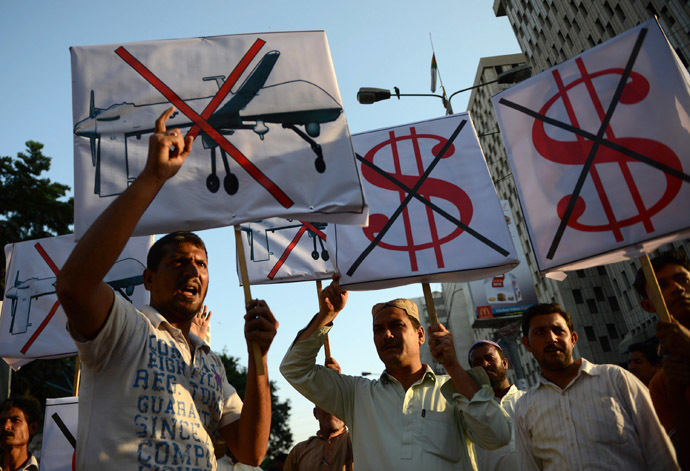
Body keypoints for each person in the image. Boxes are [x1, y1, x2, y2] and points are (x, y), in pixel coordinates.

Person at [56, 107, 278, 470]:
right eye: (177, 261)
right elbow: (73, 287)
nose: (192, 268)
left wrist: (259, 358)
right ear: (148, 279)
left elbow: (251, 451)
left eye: (201, 264)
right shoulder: (125, 328)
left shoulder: (212, 362)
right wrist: (152, 177)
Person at [280, 277, 511, 470]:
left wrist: (453, 366)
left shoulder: (454, 388)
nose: (386, 335)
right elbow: (294, 368)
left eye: (396, 325)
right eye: (378, 330)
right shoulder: (357, 395)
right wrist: (326, 315)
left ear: (421, 334)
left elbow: (498, 435)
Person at [515, 303, 678, 470]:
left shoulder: (615, 379)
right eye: (540, 332)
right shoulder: (524, 407)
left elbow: (660, 452)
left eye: (558, 330)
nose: (551, 338)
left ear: (573, 339)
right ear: (527, 344)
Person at [634, 249, 690, 469]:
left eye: (682, 279)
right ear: (648, 305)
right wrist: (676, 393)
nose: (677, 288)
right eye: (662, 286)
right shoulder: (661, 384)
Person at [284, 357, 353, 471]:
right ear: (315, 413)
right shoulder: (299, 452)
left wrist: (340, 383)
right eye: (324, 402)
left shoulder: (357, 442)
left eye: (336, 402)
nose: (330, 408)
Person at [468, 340, 524, 471]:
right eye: (477, 362)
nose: (484, 364)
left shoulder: (528, 400)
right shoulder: (473, 413)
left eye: (489, 358)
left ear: (504, 363)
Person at [0, 397, 41, 471]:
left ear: (33, 428)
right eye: (2, 422)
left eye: (15, 420)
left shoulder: (45, 468)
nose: (6, 427)